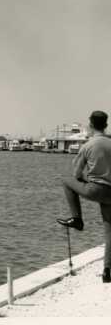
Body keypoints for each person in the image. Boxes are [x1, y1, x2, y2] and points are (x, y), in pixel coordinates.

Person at [57, 110, 111, 283]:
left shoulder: (88, 146)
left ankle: (77, 219)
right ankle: (107, 271)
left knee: (66, 181)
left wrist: (85, 181)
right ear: (106, 125)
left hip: (95, 189)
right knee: (109, 232)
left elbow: (76, 173)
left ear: (91, 125)